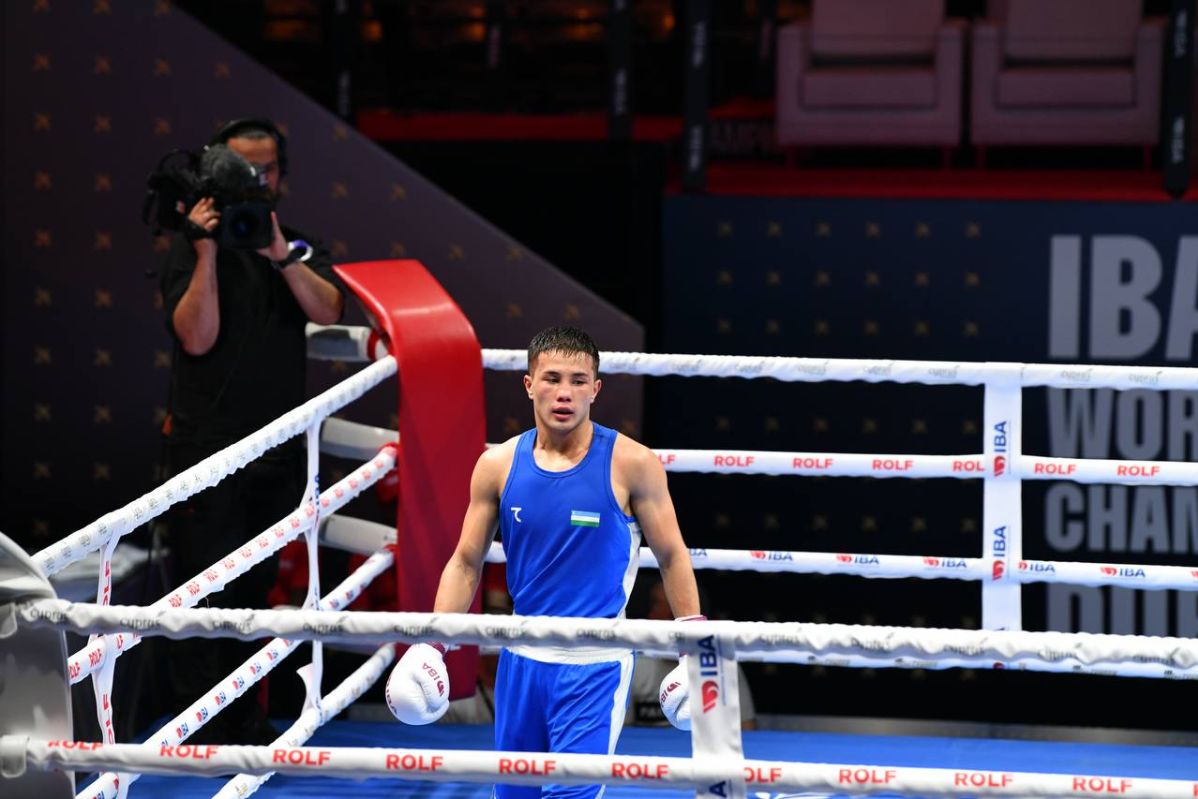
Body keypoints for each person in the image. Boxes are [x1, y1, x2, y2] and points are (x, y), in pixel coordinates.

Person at [386, 326, 704, 798]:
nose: (564, 393)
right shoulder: (497, 465)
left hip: (595, 664)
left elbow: (672, 554)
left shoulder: (632, 464)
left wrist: (693, 648)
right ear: (529, 384)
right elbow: (466, 561)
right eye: (552, 378)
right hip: (520, 659)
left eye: (578, 381)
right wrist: (434, 642)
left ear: (596, 389)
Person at [160, 118, 344, 745]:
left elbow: (328, 309)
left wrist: (279, 254)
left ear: (281, 176)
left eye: (264, 169)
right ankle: (195, 729)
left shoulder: (295, 244)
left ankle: (243, 719)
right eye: (241, 167)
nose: (254, 179)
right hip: (206, 448)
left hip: (274, 447)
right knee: (201, 587)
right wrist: (207, 252)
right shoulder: (192, 245)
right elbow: (197, 338)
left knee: (255, 588)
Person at [626, 578, 756, 730]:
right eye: (652, 604)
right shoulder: (637, 664)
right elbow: (624, 732)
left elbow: (746, 726)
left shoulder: (722, 666)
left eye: (657, 605)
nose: (651, 614)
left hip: (706, 744)